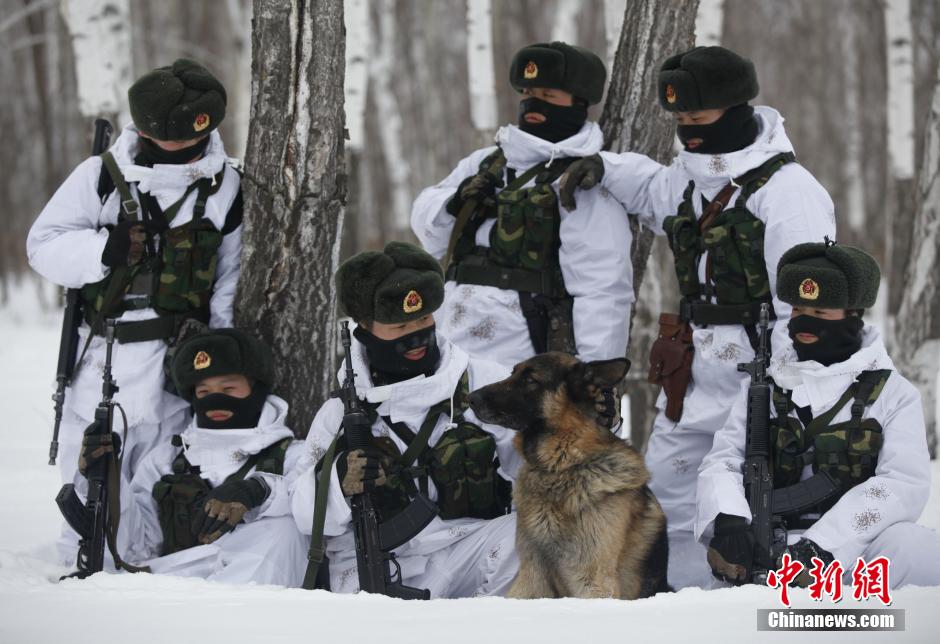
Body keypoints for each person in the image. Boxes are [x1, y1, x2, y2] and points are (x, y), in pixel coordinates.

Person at [559, 46, 836, 588]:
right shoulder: (688, 182)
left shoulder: (788, 192)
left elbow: (806, 305)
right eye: (680, 118)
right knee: (666, 501)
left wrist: (788, 388)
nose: (688, 130)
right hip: (691, 377)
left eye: (698, 116)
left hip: (761, 377)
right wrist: (603, 167)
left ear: (735, 109)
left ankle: (748, 602)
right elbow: (648, 187)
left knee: (750, 505)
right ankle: (673, 605)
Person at [26, 59, 243, 563]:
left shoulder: (225, 185)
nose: (190, 147)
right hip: (104, 361)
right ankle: (85, 571)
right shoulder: (100, 177)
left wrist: (220, 351)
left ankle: (150, 582)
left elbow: (229, 278)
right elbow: (42, 245)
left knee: (162, 483)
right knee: (92, 481)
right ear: (146, 131)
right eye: (176, 138)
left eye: (198, 137)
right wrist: (103, 249)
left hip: (177, 365)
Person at [698, 240, 940, 589]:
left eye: (820, 313)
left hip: (853, 551)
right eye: (797, 311)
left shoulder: (893, 393)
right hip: (770, 548)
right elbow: (724, 459)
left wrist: (822, 545)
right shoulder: (765, 388)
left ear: (852, 316)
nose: (804, 323)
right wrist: (730, 520)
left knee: (916, 548)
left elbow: (903, 483)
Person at [289, 242, 521, 597]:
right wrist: (337, 481)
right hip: (378, 564)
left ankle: (485, 623)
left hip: (468, 544)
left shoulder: (482, 382)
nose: (416, 337)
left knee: (531, 536)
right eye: (399, 327)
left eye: (423, 320)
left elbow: (537, 454)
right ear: (365, 329)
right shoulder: (340, 412)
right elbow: (302, 510)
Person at [410, 41, 634, 371]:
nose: (533, 103)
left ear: (578, 104)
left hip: (521, 352)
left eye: (547, 95)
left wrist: (593, 376)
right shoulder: (488, 162)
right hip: (449, 337)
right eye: (528, 92)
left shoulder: (579, 180)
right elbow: (429, 234)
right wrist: (453, 203)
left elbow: (603, 287)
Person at [87, 329, 308, 586]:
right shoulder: (165, 460)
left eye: (228, 388)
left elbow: (315, 504)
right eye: (203, 392)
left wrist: (258, 490)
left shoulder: (292, 457)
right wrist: (105, 478)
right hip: (170, 590)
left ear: (256, 389)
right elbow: (135, 547)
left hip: (246, 600)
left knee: (285, 529)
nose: (215, 400)